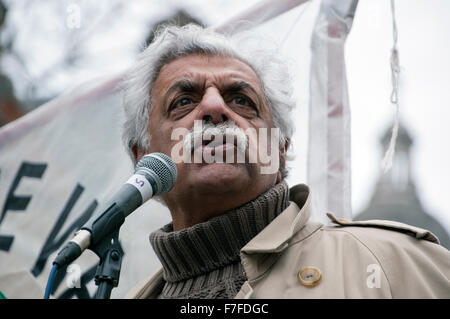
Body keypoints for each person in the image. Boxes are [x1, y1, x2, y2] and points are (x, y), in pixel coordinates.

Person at [122, 24, 450, 299]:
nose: (214, 107)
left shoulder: (401, 266)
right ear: (143, 156)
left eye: (241, 99)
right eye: (183, 100)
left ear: (280, 149)